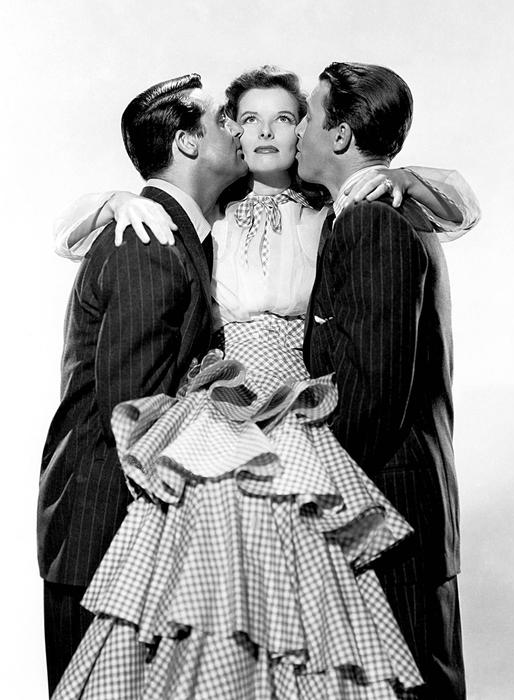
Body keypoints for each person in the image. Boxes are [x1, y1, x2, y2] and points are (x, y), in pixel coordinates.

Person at [50, 66, 479, 699]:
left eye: (285, 118)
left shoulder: (337, 208)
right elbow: (77, 234)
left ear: (306, 129)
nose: (266, 131)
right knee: (221, 602)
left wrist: (403, 176)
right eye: (247, 120)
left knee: (319, 607)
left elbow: (457, 207)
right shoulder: (209, 214)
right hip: (222, 415)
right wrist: (117, 200)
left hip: (307, 411)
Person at [37, 73, 247, 696]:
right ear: (187, 142)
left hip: (115, 526)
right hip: (106, 531)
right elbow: (135, 416)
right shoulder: (149, 242)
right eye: (224, 120)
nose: (240, 130)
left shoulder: (179, 232)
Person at [299, 62, 468, 699]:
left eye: (308, 117)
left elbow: (370, 398)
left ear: (340, 135)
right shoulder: (393, 211)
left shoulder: (370, 221)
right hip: (407, 505)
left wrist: (312, 495)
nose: (298, 133)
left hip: (388, 510)